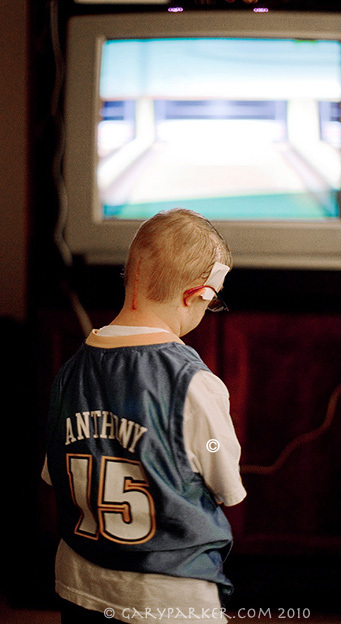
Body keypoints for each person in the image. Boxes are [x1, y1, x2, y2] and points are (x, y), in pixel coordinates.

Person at [42, 208, 247, 624]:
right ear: (197, 295)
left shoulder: (69, 373)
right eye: (214, 301)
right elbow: (224, 481)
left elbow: (55, 473)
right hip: (169, 593)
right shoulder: (193, 383)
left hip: (79, 581)